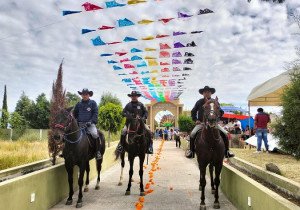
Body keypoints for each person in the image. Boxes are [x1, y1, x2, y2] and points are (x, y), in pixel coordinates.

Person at [187, 86, 235, 159]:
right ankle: (191, 151)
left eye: (208, 92)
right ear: (203, 93)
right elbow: (193, 111)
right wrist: (196, 120)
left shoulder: (215, 101)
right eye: (205, 92)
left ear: (211, 93)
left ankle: (227, 151)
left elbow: (221, 111)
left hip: (214, 123)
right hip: (201, 123)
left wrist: (217, 118)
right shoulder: (199, 102)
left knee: (225, 133)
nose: (207, 93)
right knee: (192, 134)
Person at [74, 88, 102, 160]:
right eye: (83, 94)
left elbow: (95, 114)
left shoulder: (93, 103)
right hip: (79, 125)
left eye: (86, 94)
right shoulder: (78, 104)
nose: (84, 96)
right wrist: (76, 121)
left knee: (95, 134)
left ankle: (98, 152)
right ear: (81, 95)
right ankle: (66, 151)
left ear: (89, 95)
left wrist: (91, 121)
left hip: (90, 124)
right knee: (69, 134)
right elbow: (75, 114)